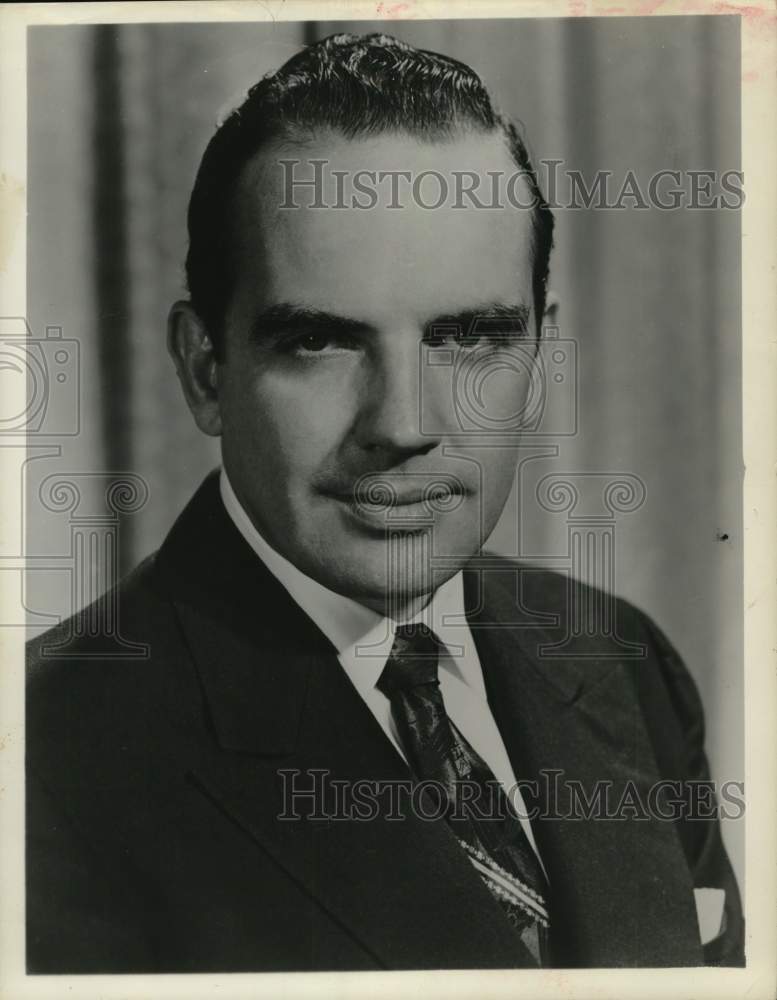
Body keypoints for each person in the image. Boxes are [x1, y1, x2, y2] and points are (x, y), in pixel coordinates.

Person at [26, 32, 743, 972]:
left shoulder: (622, 658)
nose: (403, 424)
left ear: (540, 359)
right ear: (205, 370)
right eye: (319, 342)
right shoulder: (44, 756)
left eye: (469, 337)